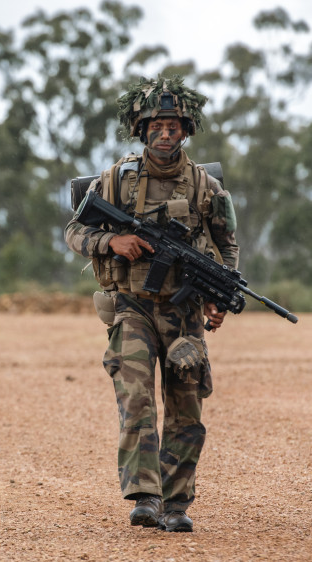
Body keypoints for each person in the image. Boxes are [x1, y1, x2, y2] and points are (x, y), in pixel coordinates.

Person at [65, 76, 239, 532]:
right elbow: (74, 232)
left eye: (173, 127)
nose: (165, 134)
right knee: (136, 400)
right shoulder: (116, 180)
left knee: (186, 409)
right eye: (157, 126)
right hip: (132, 305)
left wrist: (220, 297)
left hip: (183, 313)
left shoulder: (206, 185)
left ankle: (177, 504)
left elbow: (228, 247)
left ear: (187, 131)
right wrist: (113, 241)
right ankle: (145, 496)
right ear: (142, 131)